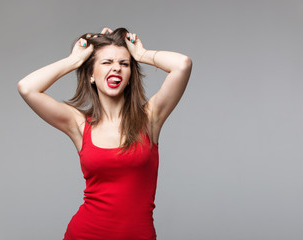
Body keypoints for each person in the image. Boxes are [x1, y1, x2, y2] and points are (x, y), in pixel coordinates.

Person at [17, 27, 192, 240]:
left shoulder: (150, 118)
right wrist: (74, 60)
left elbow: (182, 65)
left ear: (130, 75)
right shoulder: (79, 124)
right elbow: (27, 87)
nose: (116, 68)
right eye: (107, 62)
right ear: (91, 74)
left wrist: (141, 55)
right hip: (84, 234)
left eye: (124, 64)